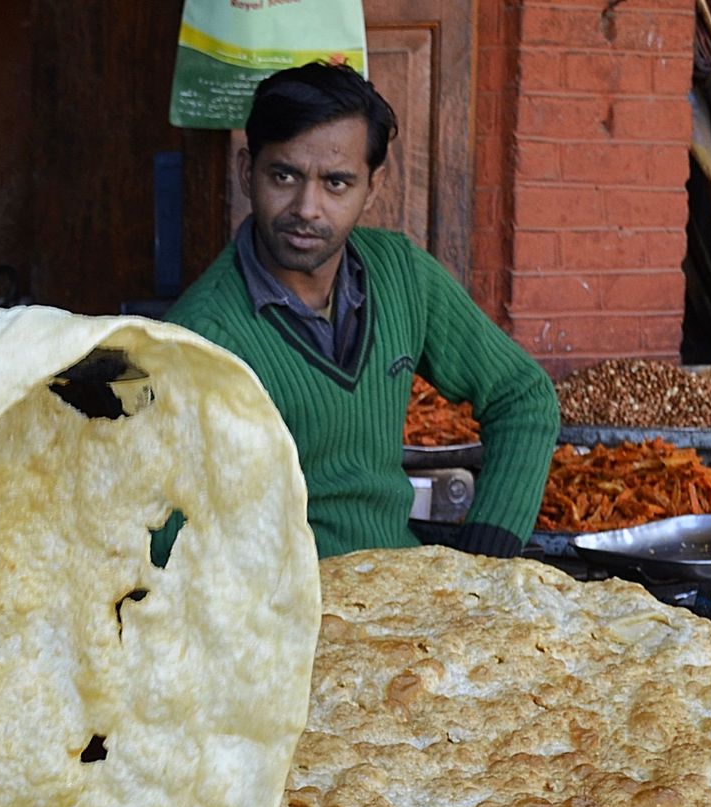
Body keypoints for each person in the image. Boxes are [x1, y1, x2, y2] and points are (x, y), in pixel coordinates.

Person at [167, 63, 558, 560]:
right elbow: (166, 532)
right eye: (284, 175)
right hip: (283, 616)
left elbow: (522, 394)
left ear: (372, 188)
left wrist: (486, 560)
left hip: (402, 586)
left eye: (336, 183)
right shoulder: (200, 338)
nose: (307, 207)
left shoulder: (402, 275)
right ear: (248, 172)